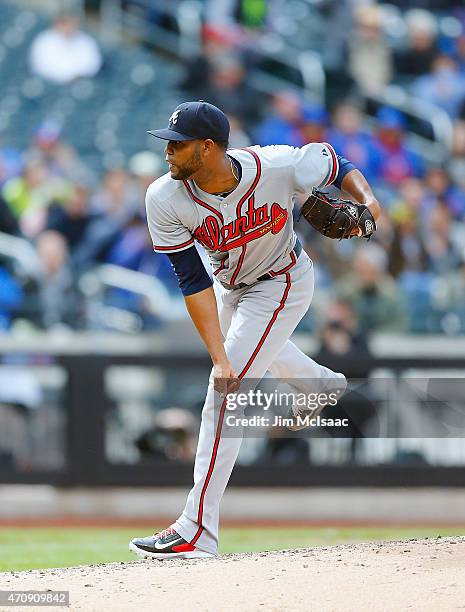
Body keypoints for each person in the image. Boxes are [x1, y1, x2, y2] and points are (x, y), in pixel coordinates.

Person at [129, 101, 381, 560]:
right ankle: (319, 384)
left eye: (177, 145)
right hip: (231, 289)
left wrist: (369, 200)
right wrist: (219, 355)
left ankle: (197, 528)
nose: (167, 154)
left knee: (224, 395)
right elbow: (192, 280)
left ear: (207, 148)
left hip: (284, 281)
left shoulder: (276, 165)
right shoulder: (163, 197)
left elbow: (336, 162)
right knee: (232, 365)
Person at [29, 12, 102, 84]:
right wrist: (67, 77)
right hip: (51, 84)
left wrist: (78, 76)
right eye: (65, 24)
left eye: (72, 24)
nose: (69, 27)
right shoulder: (44, 40)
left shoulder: (86, 40)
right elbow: (43, 66)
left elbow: (93, 63)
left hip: (81, 82)